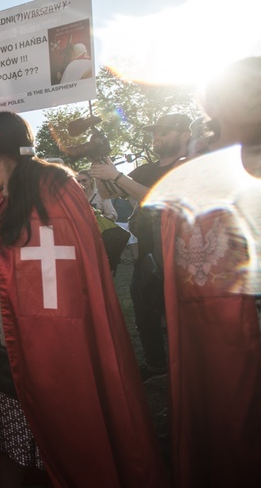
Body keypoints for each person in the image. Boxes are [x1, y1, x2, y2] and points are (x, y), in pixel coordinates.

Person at [0, 111, 166, 488]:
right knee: (8, 434)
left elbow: (69, 260)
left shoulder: (57, 186)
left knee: (60, 429)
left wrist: (0, 264)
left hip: (50, 341)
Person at [147, 56, 261, 487]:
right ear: (216, 102)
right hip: (211, 324)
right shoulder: (191, 173)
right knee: (218, 417)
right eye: (250, 85)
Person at [91, 112, 192, 382]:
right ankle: (157, 364)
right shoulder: (148, 169)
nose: (157, 137)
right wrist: (100, 163)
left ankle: (191, 369)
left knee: (179, 315)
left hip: (180, 252)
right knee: (145, 309)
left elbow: (160, 198)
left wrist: (117, 175)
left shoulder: (189, 165)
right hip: (148, 249)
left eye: (164, 132)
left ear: (185, 135)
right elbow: (108, 193)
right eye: (155, 132)